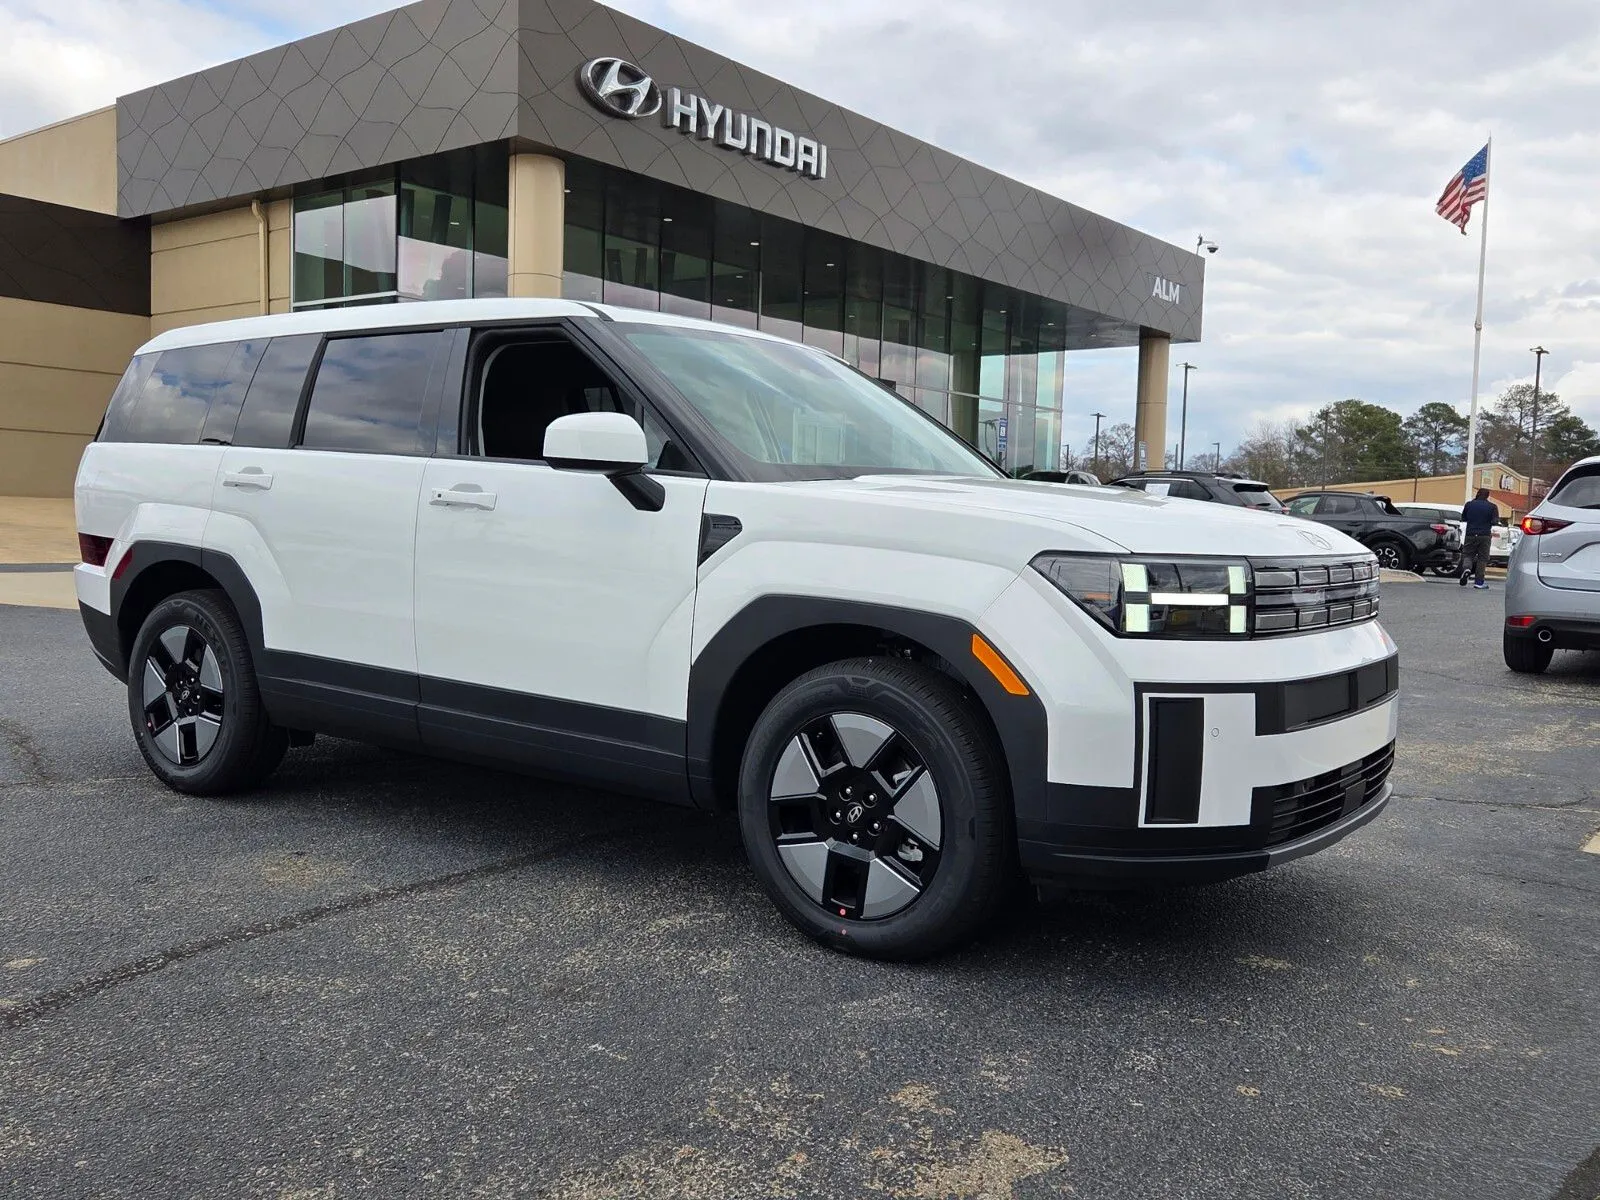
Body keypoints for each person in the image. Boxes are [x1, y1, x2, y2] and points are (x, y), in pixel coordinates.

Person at [1459, 487, 1498, 590]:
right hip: (1484, 535)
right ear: (1488, 496)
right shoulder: (1492, 507)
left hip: (1470, 534)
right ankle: (1479, 582)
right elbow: (1494, 521)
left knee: (1468, 554)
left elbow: (1463, 518)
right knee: (1482, 558)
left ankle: (1467, 569)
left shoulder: (1469, 504)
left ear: (1477, 494)